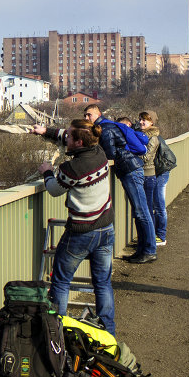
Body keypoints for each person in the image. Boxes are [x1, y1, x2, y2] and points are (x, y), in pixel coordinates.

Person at [34, 104, 154, 263]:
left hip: (131, 170)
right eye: (84, 115)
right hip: (128, 170)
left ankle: (149, 250)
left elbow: (108, 153)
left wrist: (91, 155)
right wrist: (45, 131)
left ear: (98, 114)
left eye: (88, 115)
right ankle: (142, 250)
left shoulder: (105, 129)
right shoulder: (99, 129)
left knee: (141, 211)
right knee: (139, 211)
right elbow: (73, 135)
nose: (86, 118)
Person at [36, 119, 117, 333]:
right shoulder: (99, 151)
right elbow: (70, 135)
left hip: (81, 232)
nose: (66, 138)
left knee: (61, 282)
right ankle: (108, 332)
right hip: (106, 228)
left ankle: (57, 333)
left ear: (79, 142)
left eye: (70, 137)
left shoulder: (71, 168)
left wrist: (46, 171)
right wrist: (47, 131)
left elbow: (54, 189)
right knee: (103, 283)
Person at [137, 110, 168, 248]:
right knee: (149, 207)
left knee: (155, 207)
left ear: (152, 122)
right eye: (140, 119)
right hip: (146, 174)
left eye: (145, 120)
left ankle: (158, 237)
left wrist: (130, 153)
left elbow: (146, 157)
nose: (141, 122)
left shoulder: (153, 137)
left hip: (152, 174)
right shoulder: (140, 134)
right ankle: (150, 236)